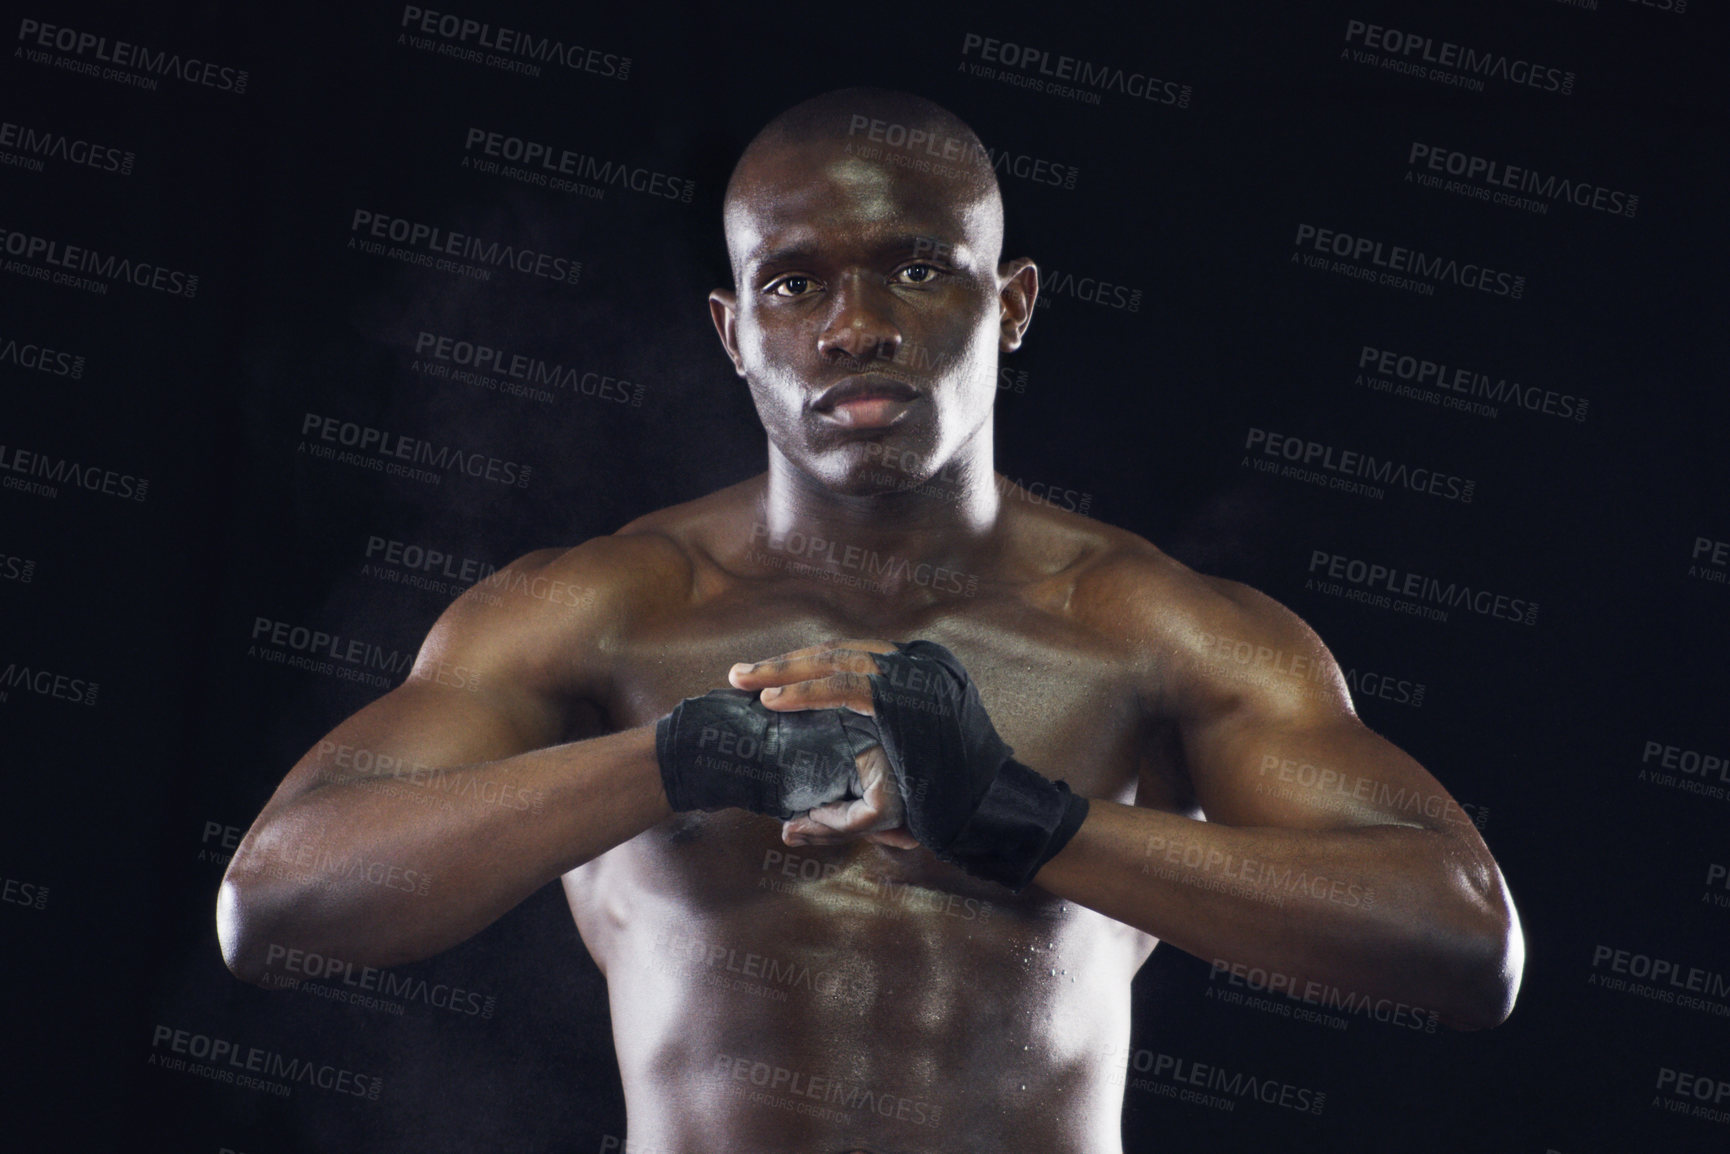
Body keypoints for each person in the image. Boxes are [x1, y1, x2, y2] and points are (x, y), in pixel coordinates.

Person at [218, 88, 1523, 1153]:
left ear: (1005, 304)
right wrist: (672, 758)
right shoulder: (599, 612)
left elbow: (1466, 944)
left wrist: (1026, 818)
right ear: (732, 332)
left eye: (914, 268)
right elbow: (272, 909)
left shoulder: (1148, 626)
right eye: (794, 283)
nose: (855, 326)